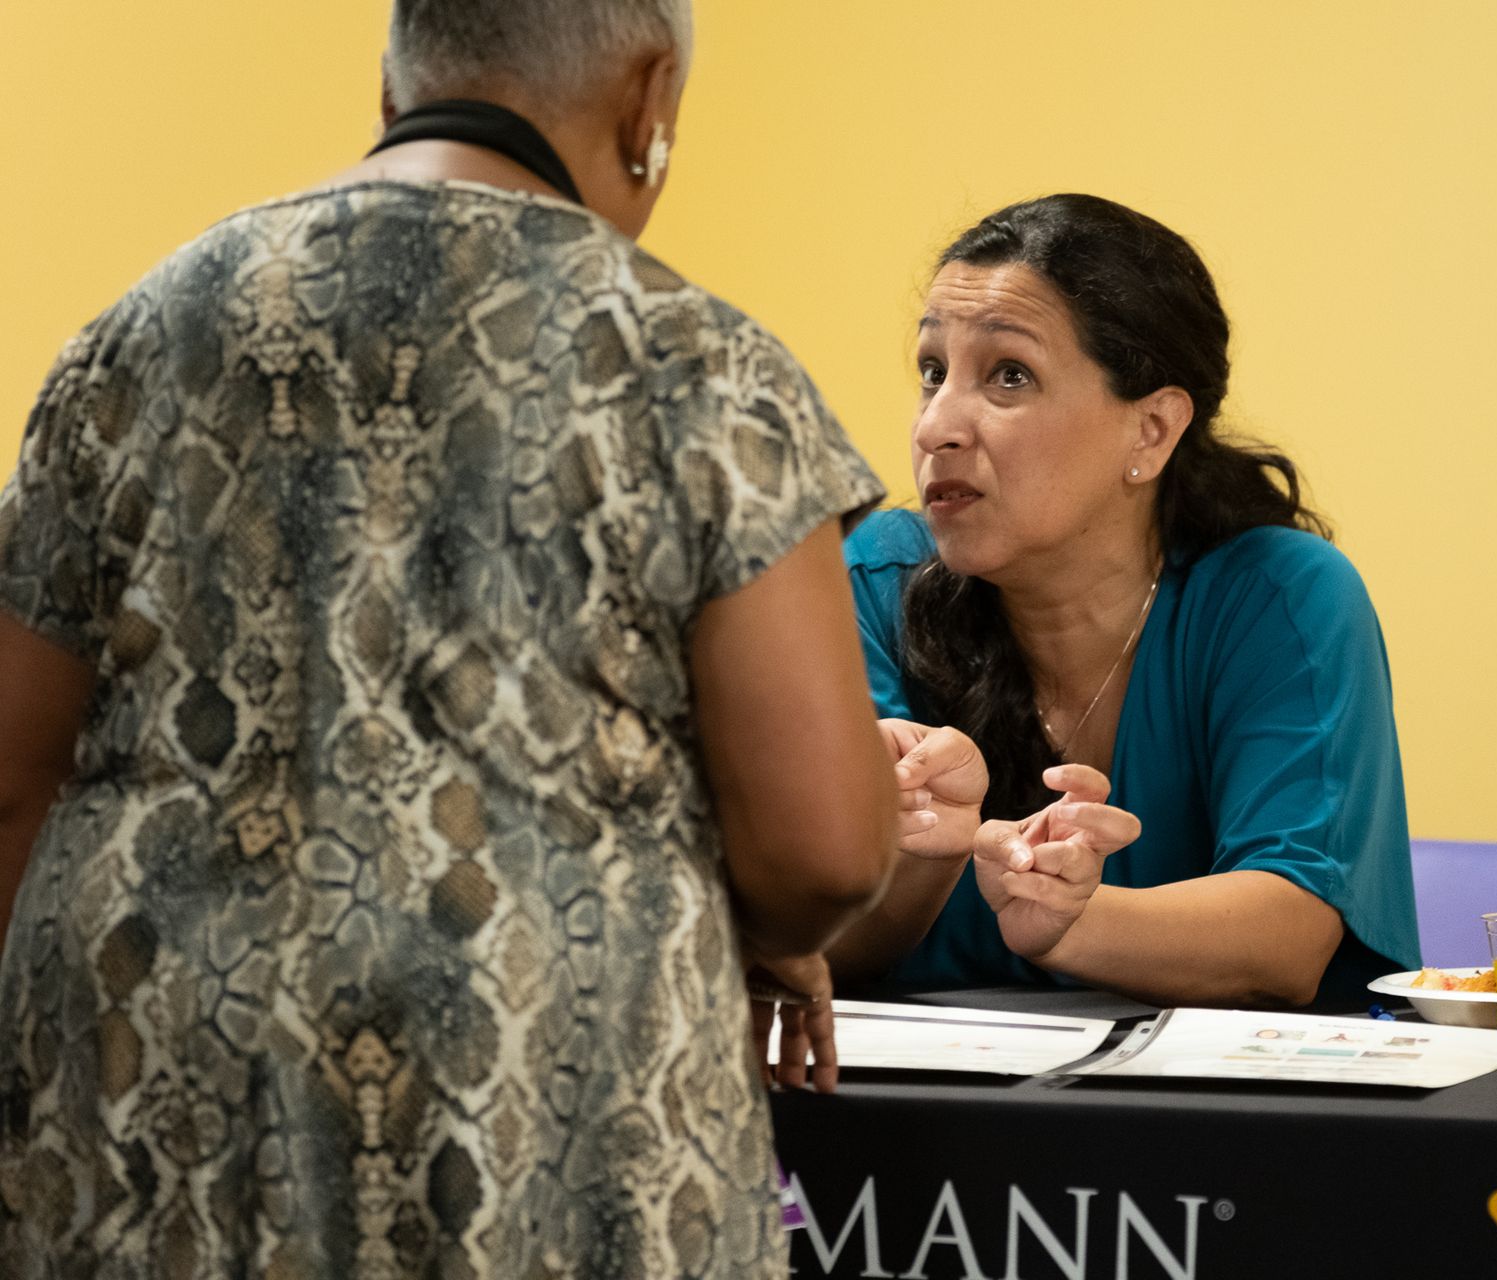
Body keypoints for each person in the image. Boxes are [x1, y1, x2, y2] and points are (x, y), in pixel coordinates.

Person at [0, 3, 897, 1275]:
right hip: (550, 1117)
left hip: (160, 1119)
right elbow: (823, 847)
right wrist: (761, 926)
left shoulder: (132, 339)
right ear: (649, 110)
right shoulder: (698, 364)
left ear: (388, 91)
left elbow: (6, 769)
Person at [830, 193, 1420, 1010]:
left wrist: (1069, 920)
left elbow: (1289, 934)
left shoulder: (1280, 594)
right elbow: (820, 940)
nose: (936, 426)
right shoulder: (877, 577)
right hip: (935, 1114)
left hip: (1225, 1121)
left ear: (1150, 432)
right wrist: (922, 855)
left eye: (1008, 376)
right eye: (933, 372)